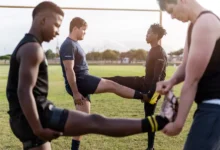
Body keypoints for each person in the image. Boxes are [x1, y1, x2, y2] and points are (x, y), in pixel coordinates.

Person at [6, 1, 177, 150]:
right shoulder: (32, 49)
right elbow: (24, 92)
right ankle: (158, 120)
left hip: (29, 117)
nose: (58, 31)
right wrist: (37, 128)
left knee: (91, 121)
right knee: (96, 121)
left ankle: (156, 120)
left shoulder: (29, 46)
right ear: (43, 20)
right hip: (36, 118)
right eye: (57, 25)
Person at [59, 17, 152, 149]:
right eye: (83, 30)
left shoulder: (74, 43)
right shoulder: (68, 45)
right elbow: (69, 70)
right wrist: (75, 92)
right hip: (81, 81)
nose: (85, 33)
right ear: (75, 28)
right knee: (112, 85)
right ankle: (143, 96)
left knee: (83, 122)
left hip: (82, 83)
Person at [156, 0, 220, 149]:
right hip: (210, 106)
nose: (172, 17)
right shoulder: (194, 24)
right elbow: (185, 65)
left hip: (215, 107)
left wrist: (178, 124)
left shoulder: (206, 23)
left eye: (171, 10)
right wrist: (172, 81)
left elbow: (192, 80)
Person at [105, 23, 167, 150]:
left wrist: (149, 95)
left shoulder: (160, 53)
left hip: (152, 90)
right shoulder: (152, 50)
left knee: (149, 118)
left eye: (149, 33)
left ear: (155, 35)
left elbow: (158, 77)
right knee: (118, 79)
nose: (146, 35)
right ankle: (93, 80)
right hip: (143, 83)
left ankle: (151, 147)